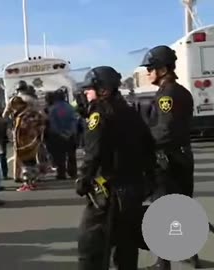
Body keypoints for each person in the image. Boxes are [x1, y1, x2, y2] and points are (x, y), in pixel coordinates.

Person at [75, 66, 156, 270]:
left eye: (90, 89)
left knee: (91, 247)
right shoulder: (130, 112)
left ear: (103, 90)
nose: (86, 93)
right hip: (133, 190)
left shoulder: (99, 114)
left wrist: (83, 181)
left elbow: (93, 153)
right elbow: (149, 146)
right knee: (127, 246)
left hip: (109, 193)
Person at [140, 45, 198, 269]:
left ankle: (162, 264)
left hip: (169, 160)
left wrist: (142, 144)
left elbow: (165, 130)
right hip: (182, 156)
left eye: (151, 68)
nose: (148, 72)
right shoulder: (179, 91)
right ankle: (190, 253)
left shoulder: (168, 94)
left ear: (163, 69)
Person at [10, 95, 46, 191]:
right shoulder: (31, 113)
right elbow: (42, 123)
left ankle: (27, 183)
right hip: (31, 142)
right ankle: (32, 182)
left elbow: (22, 128)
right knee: (31, 162)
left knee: (26, 164)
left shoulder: (24, 115)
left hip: (25, 142)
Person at [45, 90, 78, 179]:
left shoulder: (52, 109)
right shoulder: (70, 107)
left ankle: (61, 173)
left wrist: (60, 133)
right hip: (71, 135)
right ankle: (73, 172)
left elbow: (53, 124)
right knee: (71, 155)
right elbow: (74, 121)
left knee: (60, 156)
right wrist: (71, 132)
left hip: (58, 136)